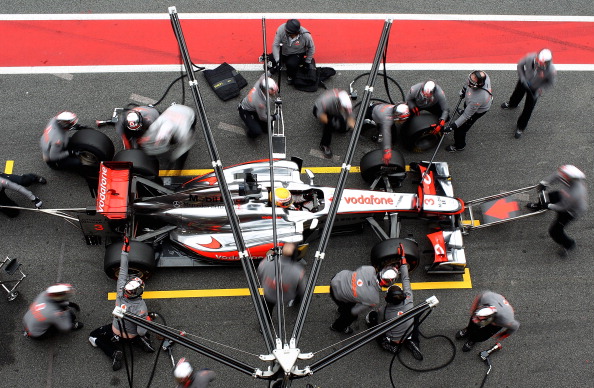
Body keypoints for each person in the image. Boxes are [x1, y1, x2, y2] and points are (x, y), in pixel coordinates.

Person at [89, 238, 154, 371]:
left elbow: (123, 270)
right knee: (143, 328)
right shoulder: (141, 308)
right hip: (131, 336)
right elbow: (141, 331)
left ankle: (113, 352)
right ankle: (142, 342)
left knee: (93, 335)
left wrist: (124, 251)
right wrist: (146, 320)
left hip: (115, 332)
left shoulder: (120, 291)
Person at [366, 257, 423, 360]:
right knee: (417, 313)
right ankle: (413, 341)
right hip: (408, 333)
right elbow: (406, 279)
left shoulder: (383, 311)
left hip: (394, 339)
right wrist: (403, 263)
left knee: (373, 318)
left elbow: (380, 324)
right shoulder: (409, 300)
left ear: (387, 298)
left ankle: (388, 345)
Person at [527, 165, 587, 256]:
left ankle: (569, 244)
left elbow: (563, 207)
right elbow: (557, 175)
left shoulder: (576, 193)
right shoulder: (568, 177)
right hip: (564, 197)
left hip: (569, 211)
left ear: (571, 177)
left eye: (564, 174)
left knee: (555, 231)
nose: (562, 175)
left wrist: (549, 206)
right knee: (548, 196)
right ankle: (538, 206)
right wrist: (544, 183)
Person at [501, 48, 557, 138]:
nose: (540, 63)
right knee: (516, 94)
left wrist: (540, 88)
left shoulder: (550, 70)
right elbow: (520, 65)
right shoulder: (530, 58)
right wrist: (522, 78)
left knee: (528, 108)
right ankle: (512, 104)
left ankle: (521, 127)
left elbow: (550, 83)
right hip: (524, 82)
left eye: (543, 62)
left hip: (534, 89)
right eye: (539, 61)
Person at [329, 265, 398, 334]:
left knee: (348, 302)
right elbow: (354, 311)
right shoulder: (373, 299)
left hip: (337, 279)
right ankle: (337, 327)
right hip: (339, 295)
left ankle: (341, 309)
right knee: (349, 316)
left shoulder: (369, 269)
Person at [444, 70, 493, 152]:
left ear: (478, 84)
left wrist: (452, 126)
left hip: (477, 110)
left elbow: (466, 115)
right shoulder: (481, 76)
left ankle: (459, 146)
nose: (469, 81)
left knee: (460, 129)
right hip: (470, 103)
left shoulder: (478, 98)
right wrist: (464, 90)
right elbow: (467, 83)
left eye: (471, 82)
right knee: (466, 107)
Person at [138, 103, 196, 170]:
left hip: (190, 113)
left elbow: (186, 146)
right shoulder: (158, 122)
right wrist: (144, 140)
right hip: (174, 108)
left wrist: (173, 158)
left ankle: (179, 168)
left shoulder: (183, 132)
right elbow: (150, 132)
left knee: (183, 153)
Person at [257, 242, 307, 317]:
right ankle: (296, 302)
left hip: (270, 293)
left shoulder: (266, 262)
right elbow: (302, 287)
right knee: (298, 294)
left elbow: (260, 274)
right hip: (288, 295)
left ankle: (266, 321)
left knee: (266, 309)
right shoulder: (298, 271)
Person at [313, 89, 356, 158]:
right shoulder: (327, 101)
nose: (345, 110)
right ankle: (324, 145)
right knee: (329, 126)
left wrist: (353, 125)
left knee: (343, 129)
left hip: (335, 110)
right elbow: (320, 115)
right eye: (344, 108)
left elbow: (350, 116)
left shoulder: (346, 102)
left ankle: (335, 122)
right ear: (338, 102)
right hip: (321, 110)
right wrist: (331, 122)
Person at [272, 19, 316, 84]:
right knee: (271, 62)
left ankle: (291, 75)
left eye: (289, 33)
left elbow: (311, 47)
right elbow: (275, 45)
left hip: (296, 53)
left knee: (291, 64)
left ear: (296, 32)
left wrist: (308, 61)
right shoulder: (281, 29)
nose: (286, 33)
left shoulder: (306, 36)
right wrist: (277, 60)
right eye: (286, 31)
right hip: (283, 52)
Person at [238, 74, 279, 139]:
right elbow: (262, 117)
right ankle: (250, 134)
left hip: (253, 106)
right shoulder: (260, 103)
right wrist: (273, 117)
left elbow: (265, 75)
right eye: (272, 90)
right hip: (246, 110)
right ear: (267, 90)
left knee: (267, 129)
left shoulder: (261, 82)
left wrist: (271, 71)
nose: (275, 91)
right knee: (257, 131)